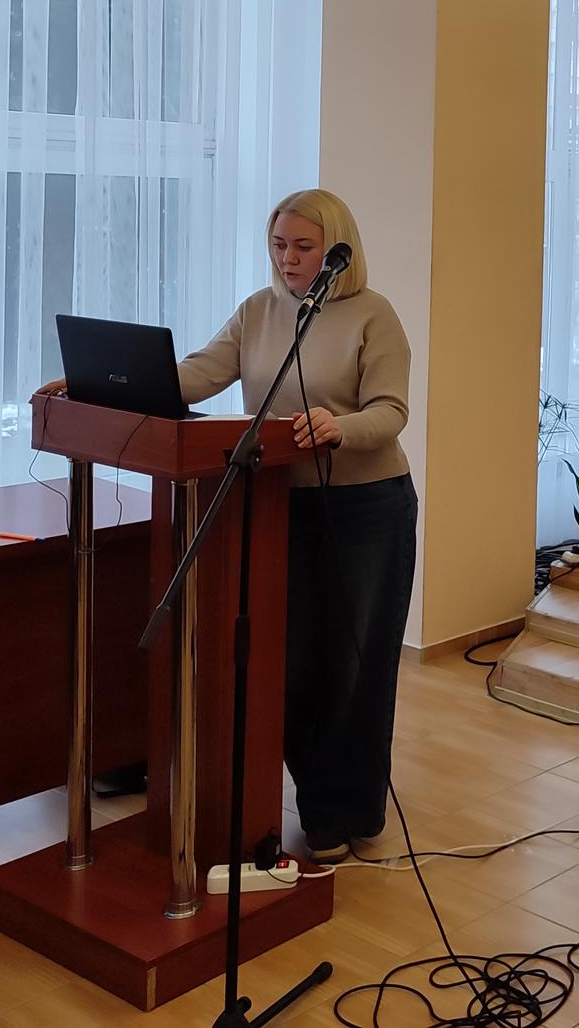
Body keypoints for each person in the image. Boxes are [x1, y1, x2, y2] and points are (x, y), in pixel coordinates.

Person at [43, 189, 415, 862]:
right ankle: (318, 798)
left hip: (365, 508)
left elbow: (390, 411)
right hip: (277, 504)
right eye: (279, 245)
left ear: (337, 249)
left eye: (303, 247)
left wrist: (341, 426)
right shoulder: (258, 312)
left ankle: (346, 812)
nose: (288, 258)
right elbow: (195, 375)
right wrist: (90, 384)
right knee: (289, 663)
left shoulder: (373, 315)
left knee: (352, 665)